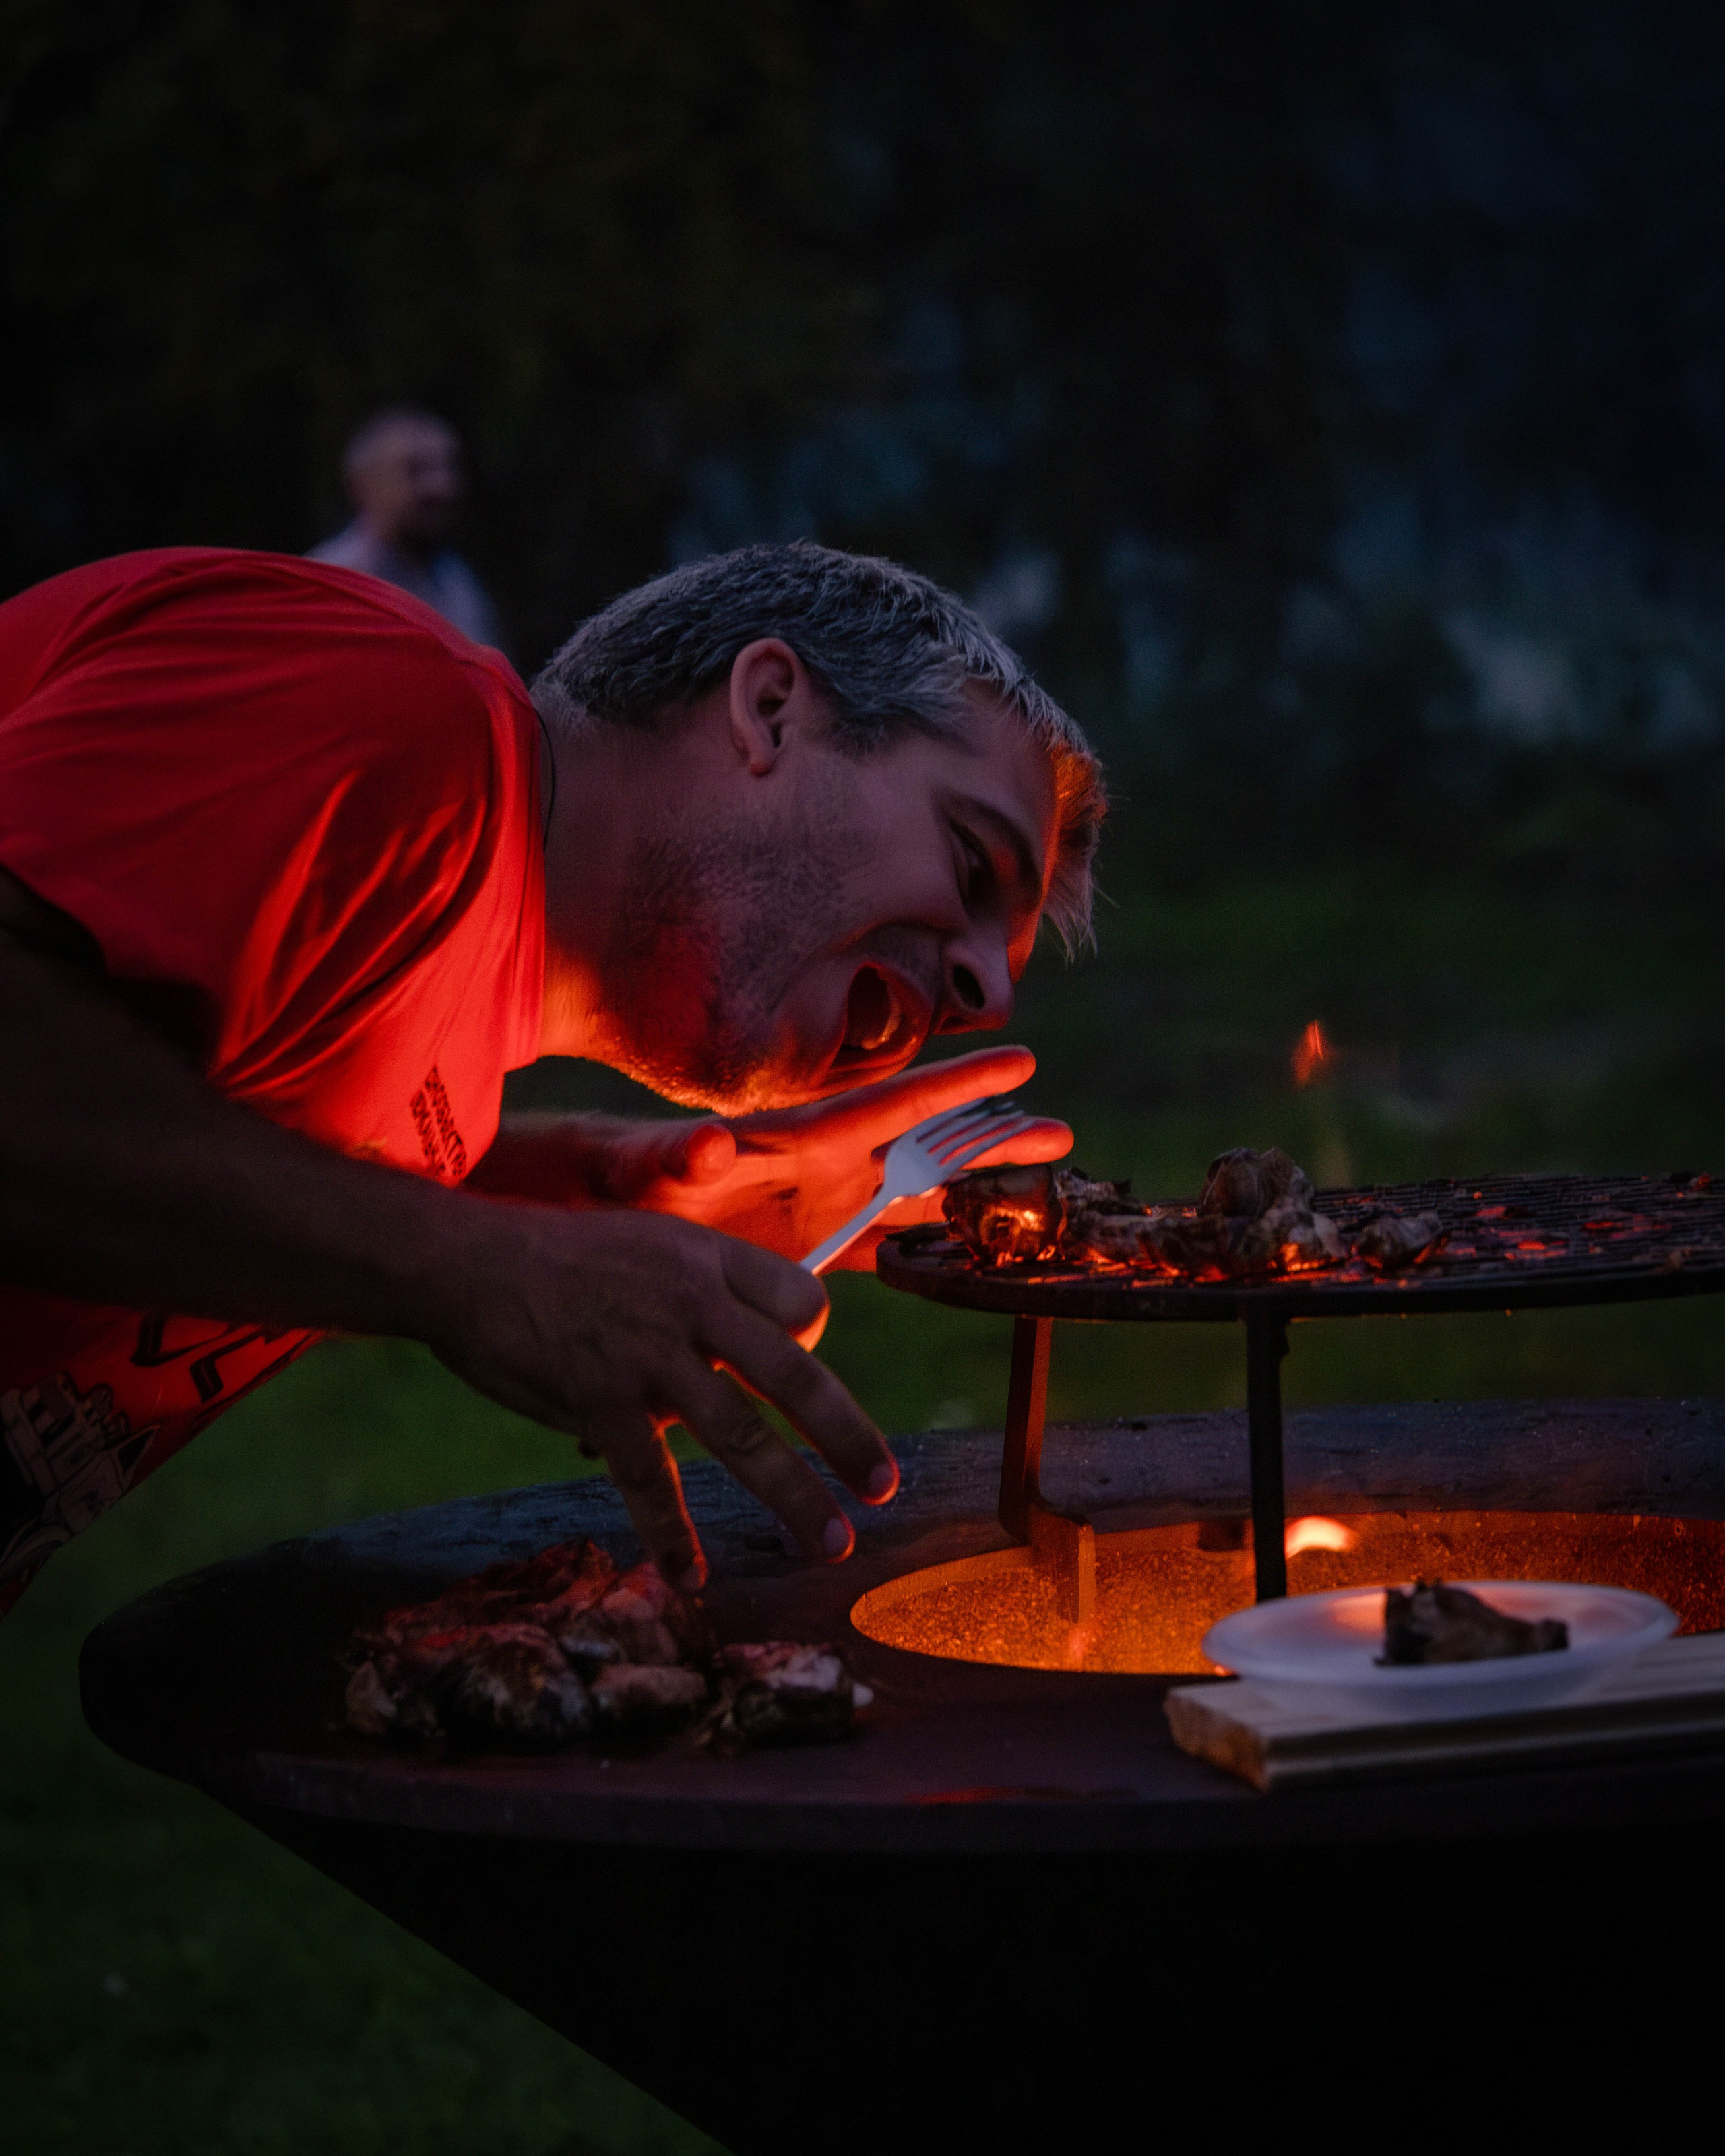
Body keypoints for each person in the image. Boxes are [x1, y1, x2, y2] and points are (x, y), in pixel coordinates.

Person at [0, 540, 1104, 1616]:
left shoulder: (448, 1003)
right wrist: (481, 1264)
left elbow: (206, 1123)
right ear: (771, 707)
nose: (983, 997)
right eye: (971, 861)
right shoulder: (385, 708)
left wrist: (560, 1201)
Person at [309, 407, 501, 647]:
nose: (442, 486)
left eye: (449, 467)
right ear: (361, 485)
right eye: (416, 469)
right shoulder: (330, 584)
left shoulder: (456, 579)